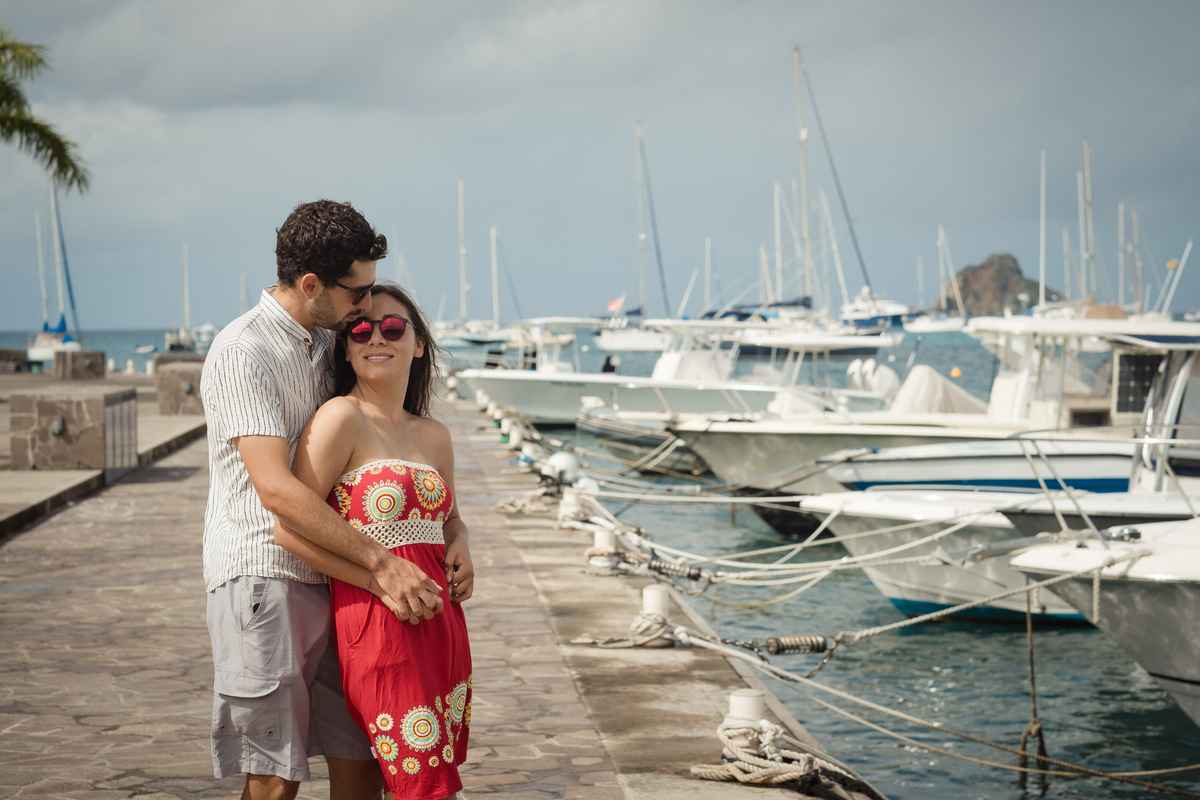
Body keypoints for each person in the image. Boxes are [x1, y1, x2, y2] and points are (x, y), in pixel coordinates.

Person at [201, 200, 444, 800]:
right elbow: (276, 490)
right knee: (275, 776)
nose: (368, 305)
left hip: (341, 582)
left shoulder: (323, 341)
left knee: (359, 762)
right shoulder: (243, 351)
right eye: (357, 293)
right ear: (312, 285)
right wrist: (382, 564)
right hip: (266, 577)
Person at [274, 283, 473, 799]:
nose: (376, 337)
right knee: (421, 787)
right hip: (380, 626)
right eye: (360, 329)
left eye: (392, 327)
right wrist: (375, 579)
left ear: (419, 343)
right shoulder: (341, 417)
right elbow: (289, 528)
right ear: (346, 348)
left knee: (432, 783)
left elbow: (450, 518)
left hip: (442, 627)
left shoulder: (434, 434)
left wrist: (461, 541)